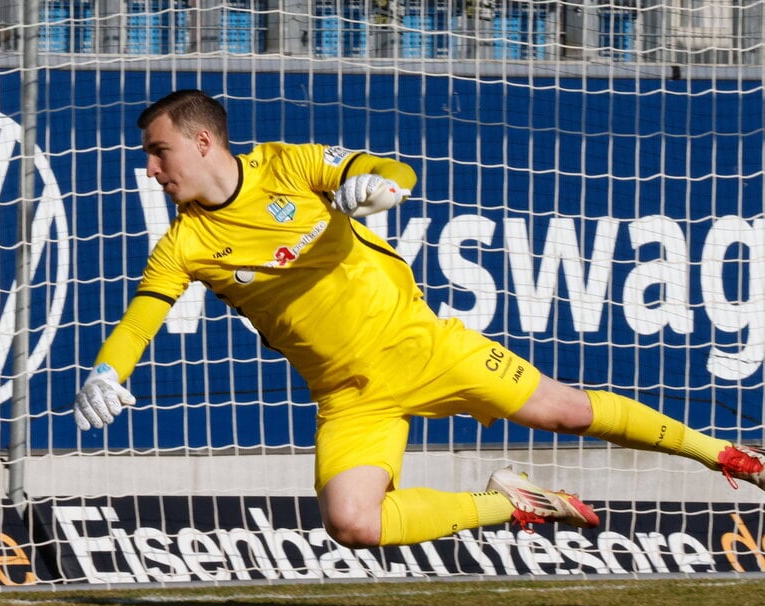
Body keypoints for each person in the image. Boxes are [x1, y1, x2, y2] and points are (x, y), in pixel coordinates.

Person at [74, 89, 764, 549]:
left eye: (157, 151)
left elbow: (388, 168)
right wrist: (110, 368)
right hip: (350, 397)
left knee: (566, 411)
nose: (151, 170)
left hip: (426, 347)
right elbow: (142, 317)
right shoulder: (183, 244)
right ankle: (510, 501)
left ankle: (730, 456)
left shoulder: (288, 165)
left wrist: (378, 184)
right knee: (351, 524)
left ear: (201, 142)